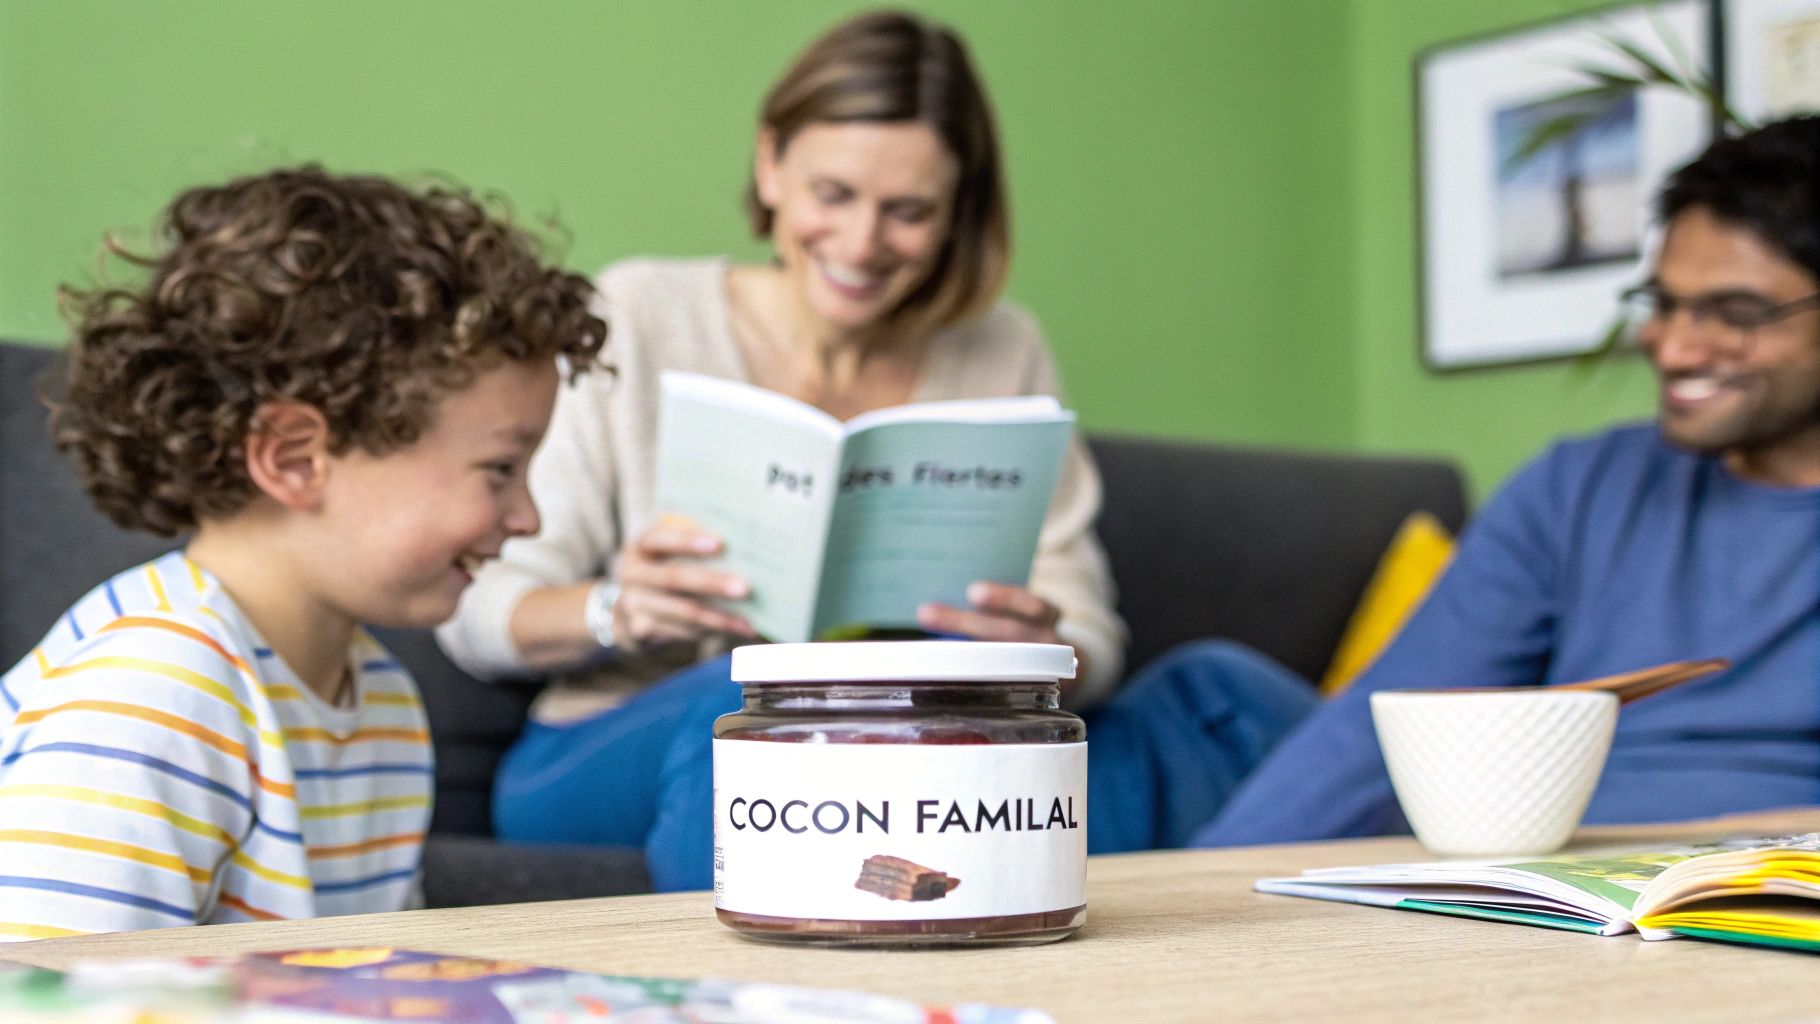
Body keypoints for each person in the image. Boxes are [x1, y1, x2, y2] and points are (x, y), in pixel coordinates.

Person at [437, 10, 1204, 889]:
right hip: (622, 736)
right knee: (768, 710)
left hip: (917, 744)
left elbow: (1092, 636)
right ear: (771, 167)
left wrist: (1037, 642)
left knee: (1208, 700)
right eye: (833, 195)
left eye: (909, 211)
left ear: (958, 214)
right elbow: (481, 611)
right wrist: (619, 608)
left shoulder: (1002, 348)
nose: (863, 243)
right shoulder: (641, 314)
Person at [0, 167, 607, 938]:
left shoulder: (379, 700)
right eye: (499, 470)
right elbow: (40, 1002)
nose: (526, 517)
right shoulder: (155, 696)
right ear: (293, 459)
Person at [1191, 115, 1820, 847]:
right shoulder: (1578, 486)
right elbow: (1391, 717)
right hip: (1503, 866)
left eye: (1735, 314)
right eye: (1662, 303)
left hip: (1729, 882)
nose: (1673, 346)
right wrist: (1215, 897)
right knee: (1206, 688)